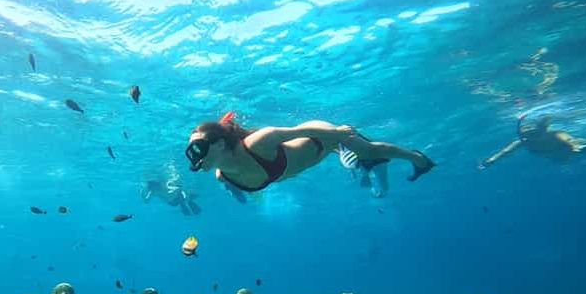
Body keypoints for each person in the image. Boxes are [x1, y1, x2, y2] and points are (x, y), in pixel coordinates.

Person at [185, 112, 435, 193]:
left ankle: (420, 159)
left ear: (219, 144)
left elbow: (299, 130)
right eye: (191, 151)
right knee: (364, 160)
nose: (195, 156)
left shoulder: (258, 143)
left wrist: (337, 133)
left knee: (368, 151)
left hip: (318, 137)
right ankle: (365, 164)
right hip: (317, 156)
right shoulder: (223, 176)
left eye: (198, 148)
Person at [479, 114, 586, 168]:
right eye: (525, 135)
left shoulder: (555, 135)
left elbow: (571, 142)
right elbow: (505, 152)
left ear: (541, 130)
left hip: (570, 150)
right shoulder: (522, 142)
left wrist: (574, 147)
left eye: (533, 134)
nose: (530, 138)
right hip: (558, 157)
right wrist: (491, 160)